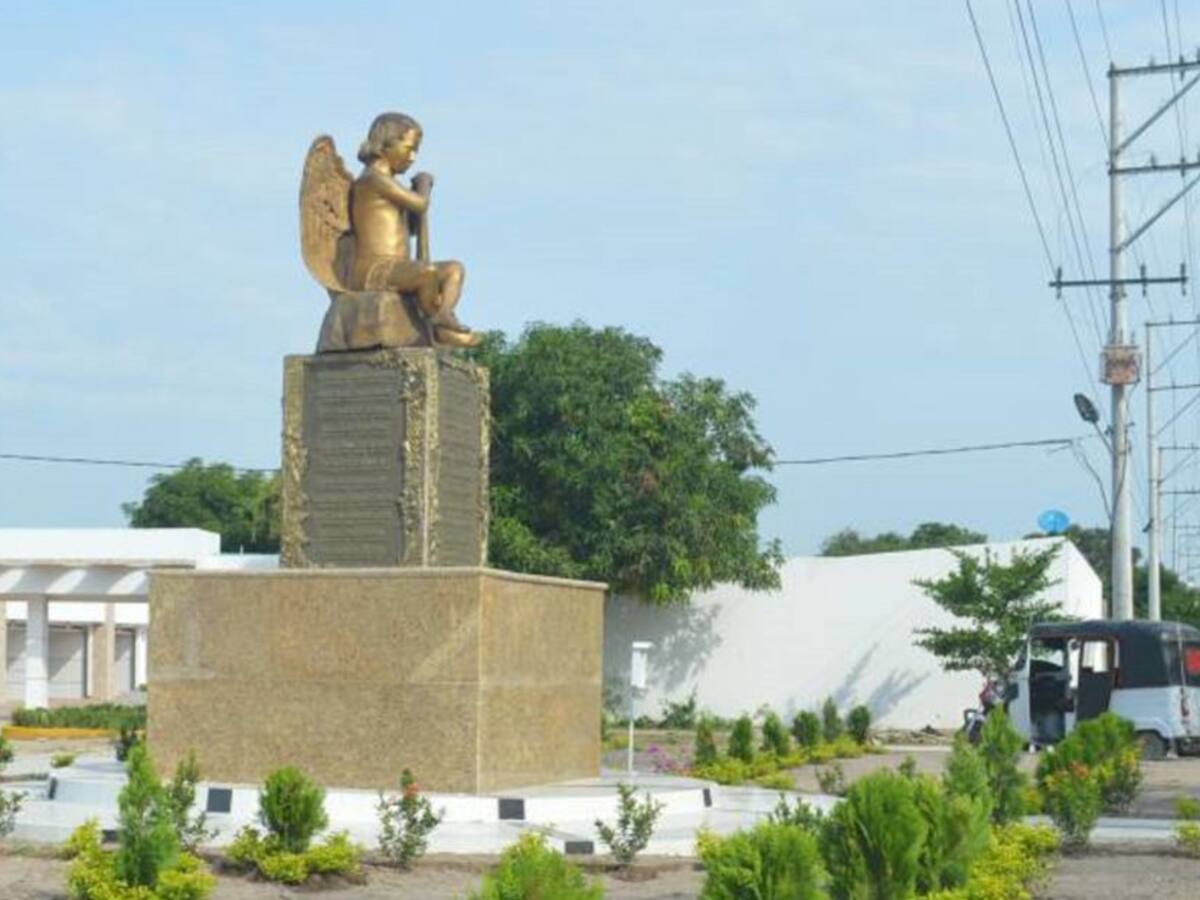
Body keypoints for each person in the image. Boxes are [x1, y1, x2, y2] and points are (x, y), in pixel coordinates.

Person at [349, 112, 476, 345]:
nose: (413, 157)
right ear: (385, 144)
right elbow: (420, 204)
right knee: (427, 273)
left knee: (454, 269)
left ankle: (443, 316)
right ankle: (435, 326)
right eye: (409, 148)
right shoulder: (372, 180)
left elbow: (413, 227)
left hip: (400, 267)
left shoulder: (391, 185)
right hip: (375, 270)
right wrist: (424, 185)